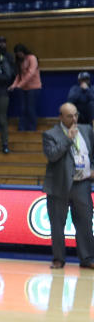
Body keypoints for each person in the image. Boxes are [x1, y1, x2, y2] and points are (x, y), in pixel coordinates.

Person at [42, 103, 94, 269]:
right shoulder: (50, 134)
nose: (74, 119)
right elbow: (52, 155)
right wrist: (68, 138)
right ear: (61, 117)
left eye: (76, 115)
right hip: (59, 185)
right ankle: (58, 259)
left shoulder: (86, 130)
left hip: (82, 184)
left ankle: (87, 258)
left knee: (85, 223)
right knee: (57, 223)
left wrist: (92, 168)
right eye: (70, 116)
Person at [10, 43, 42, 131]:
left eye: (19, 52)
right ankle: (22, 128)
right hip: (23, 88)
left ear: (24, 51)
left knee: (30, 108)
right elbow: (19, 75)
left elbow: (30, 74)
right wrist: (13, 85)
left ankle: (31, 128)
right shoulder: (19, 61)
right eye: (17, 53)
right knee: (22, 109)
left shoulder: (32, 58)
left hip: (34, 88)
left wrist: (19, 85)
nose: (18, 54)